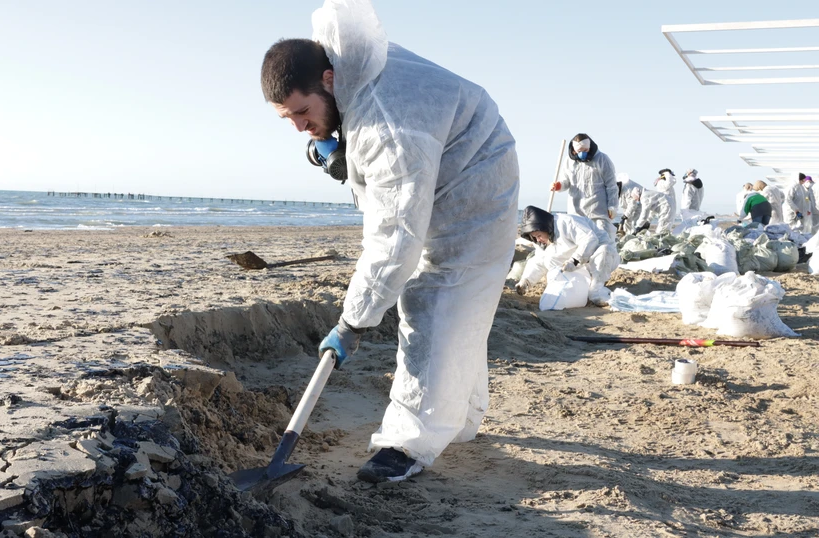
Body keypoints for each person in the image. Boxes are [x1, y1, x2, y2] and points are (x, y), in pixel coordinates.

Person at [261, 0, 519, 483]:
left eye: (303, 112)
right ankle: (460, 419)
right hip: (450, 162)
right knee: (462, 308)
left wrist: (354, 320)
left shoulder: (387, 124)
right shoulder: (355, 66)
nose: (299, 127)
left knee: (437, 302)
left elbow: (394, 234)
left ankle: (406, 445)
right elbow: (382, 172)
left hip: (475, 192)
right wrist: (344, 151)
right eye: (287, 119)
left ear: (329, 80)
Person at [515, 206, 619, 307]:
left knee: (604, 250)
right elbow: (539, 261)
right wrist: (526, 281)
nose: (537, 239)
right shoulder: (542, 240)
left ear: (545, 227)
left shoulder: (567, 223)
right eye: (534, 237)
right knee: (548, 259)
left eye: (538, 235)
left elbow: (590, 240)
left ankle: (597, 290)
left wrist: (574, 261)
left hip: (602, 256)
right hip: (576, 261)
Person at [549, 134, 618, 240]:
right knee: (580, 240)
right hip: (576, 211)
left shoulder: (602, 159)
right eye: (579, 150)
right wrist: (559, 186)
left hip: (598, 211)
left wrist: (612, 206)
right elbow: (566, 182)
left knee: (604, 239)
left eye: (585, 150)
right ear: (573, 150)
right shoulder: (569, 161)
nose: (583, 153)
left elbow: (611, 185)